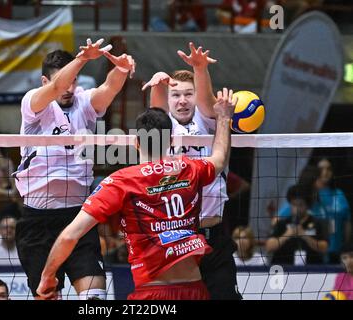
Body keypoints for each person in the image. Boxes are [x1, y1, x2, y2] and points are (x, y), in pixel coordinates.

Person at [36, 88, 236, 300]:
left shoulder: (121, 181)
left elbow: (69, 235)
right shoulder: (190, 169)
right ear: (170, 141)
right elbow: (220, 158)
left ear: (136, 142)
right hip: (195, 290)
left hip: (152, 294)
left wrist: (48, 275)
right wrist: (224, 117)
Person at [13, 38, 136, 299]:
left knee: (95, 298)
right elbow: (59, 85)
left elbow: (109, 88)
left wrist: (122, 68)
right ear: (44, 82)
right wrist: (82, 59)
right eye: (63, 81)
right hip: (38, 219)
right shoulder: (33, 104)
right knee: (47, 295)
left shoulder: (85, 103)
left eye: (74, 81)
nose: (68, 87)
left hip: (79, 215)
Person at [142, 42, 242, 299]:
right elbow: (156, 112)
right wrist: (157, 86)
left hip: (214, 235)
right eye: (176, 95)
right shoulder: (164, 126)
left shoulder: (208, 120)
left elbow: (209, 104)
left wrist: (199, 68)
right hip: (177, 236)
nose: (183, 100)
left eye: (189, 94)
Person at [275, 159, 351, 263]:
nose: (324, 175)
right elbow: (276, 220)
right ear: (312, 179)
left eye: (328, 169)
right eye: (320, 174)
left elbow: (346, 221)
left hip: (333, 251)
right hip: (309, 255)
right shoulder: (301, 200)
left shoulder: (333, 194)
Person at [265, 184, 328, 265]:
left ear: (307, 205)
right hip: (283, 268)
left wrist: (305, 236)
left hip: (311, 269)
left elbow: (324, 248)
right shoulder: (282, 223)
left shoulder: (317, 223)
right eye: (294, 204)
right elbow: (269, 247)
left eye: (300, 205)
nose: (297, 208)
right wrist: (286, 235)